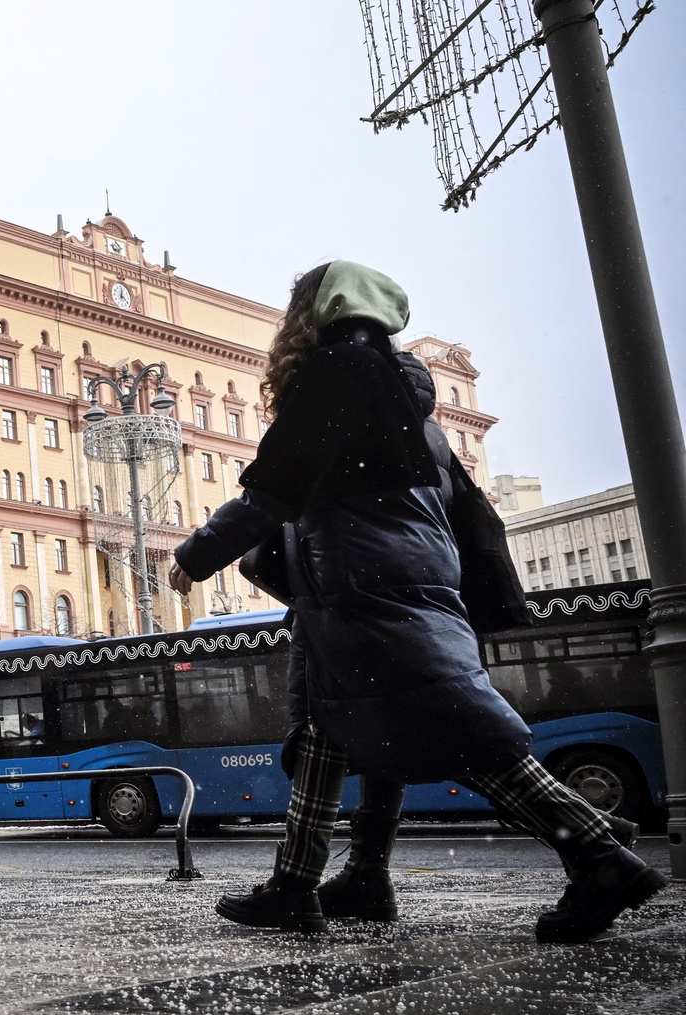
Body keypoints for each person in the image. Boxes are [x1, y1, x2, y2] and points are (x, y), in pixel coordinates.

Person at [169, 261, 664, 943]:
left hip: (368, 591)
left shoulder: (335, 376)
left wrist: (197, 555)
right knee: (327, 728)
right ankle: (305, 881)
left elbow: (273, 492)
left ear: (315, 317)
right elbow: (467, 515)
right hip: (391, 589)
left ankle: (598, 851)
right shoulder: (413, 409)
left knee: (467, 735)